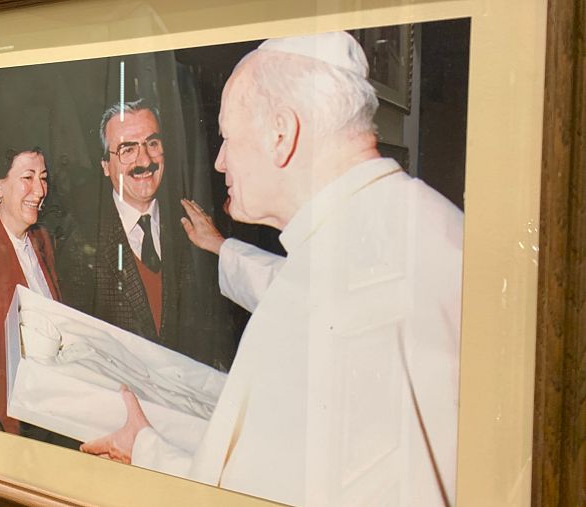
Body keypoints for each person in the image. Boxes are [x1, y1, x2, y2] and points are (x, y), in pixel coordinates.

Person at [81, 32, 463, 507]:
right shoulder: (424, 223)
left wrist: (144, 447)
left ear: (281, 134)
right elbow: (296, 284)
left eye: (226, 138)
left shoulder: (335, 308)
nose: (219, 160)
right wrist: (222, 249)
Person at [57, 99, 235, 369]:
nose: (145, 160)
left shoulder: (196, 227)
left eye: (152, 144)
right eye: (127, 149)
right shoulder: (80, 241)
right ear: (106, 166)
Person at [0, 147, 76, 448]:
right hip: (17, 430)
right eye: (27, 177)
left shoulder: (41, 240)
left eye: (44, 178)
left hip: (56, 410)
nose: (40, 190)